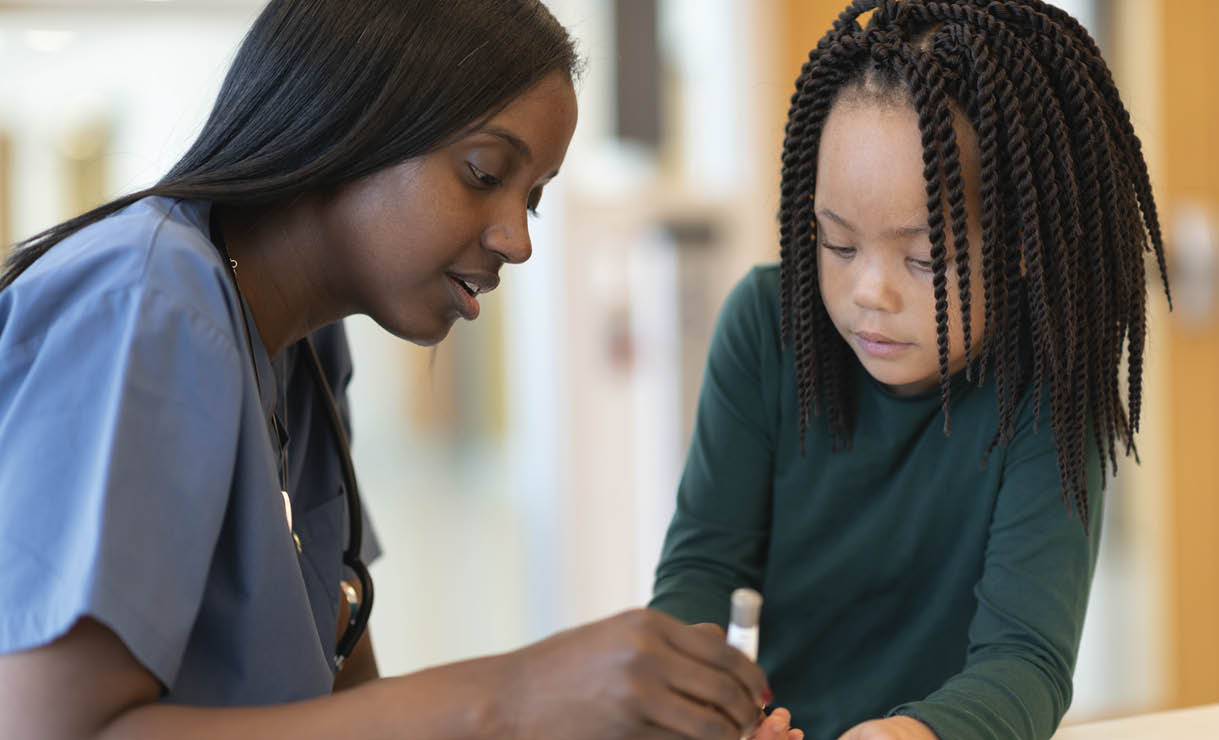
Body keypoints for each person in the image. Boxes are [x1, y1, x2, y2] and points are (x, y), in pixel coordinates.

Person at [0, 1, 804, 738]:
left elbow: (348, 710)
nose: (516, 241)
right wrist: (516, 695)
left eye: (532, 199)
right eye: (484, 174)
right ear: (345, 116)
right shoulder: (148, 303)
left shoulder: (304, 352)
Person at [649, 1, 1169, 738]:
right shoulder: (766, 325)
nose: (869, 291)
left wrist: (908, 734)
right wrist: (690, 700)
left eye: (925, 259)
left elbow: (1026, 660)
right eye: (835, 244)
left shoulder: (1046, 387)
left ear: (1020, 250)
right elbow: (701, 567)